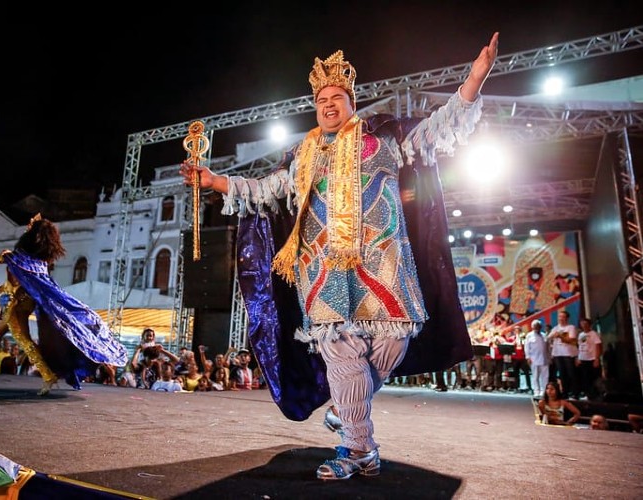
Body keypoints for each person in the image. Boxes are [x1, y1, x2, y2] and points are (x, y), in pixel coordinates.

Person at [180, 33, 499, 480]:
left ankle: (348, 409)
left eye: (337, 97)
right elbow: (267, 192)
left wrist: (475, 78)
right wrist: (215, 182)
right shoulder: (303, 155)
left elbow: (438, 127)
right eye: (321, 99)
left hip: (387, 268)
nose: (328, 104)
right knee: (342, 353)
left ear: (351, 101)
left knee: (393, 343)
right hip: (323, 270)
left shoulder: (384, 139)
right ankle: (358, 448)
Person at [0, 214, 128, 396]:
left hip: (13, 303)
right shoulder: (41, 264)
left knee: (18, 339)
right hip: (17, 302)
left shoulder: (15, 257)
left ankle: (45, 376)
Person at [547, 310, 579, 399]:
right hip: (558, 354)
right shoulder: (555, 328)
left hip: (568, 354)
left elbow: (572, 339)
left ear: (567, 318)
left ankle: (575, 393)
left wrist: (560, 336)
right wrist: (554, 335)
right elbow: (548, 337)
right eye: (559, 317)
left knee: (571, 374)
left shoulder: (570, 327)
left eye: (563, 317)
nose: (560, 319)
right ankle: (565, 393)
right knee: (562, 374)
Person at [575, 317, 602, 400]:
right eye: (582, 324)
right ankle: (588, 395)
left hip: (592, 359)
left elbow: (598, 346)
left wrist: (597, 358)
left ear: (589, 325)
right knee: (585, 378)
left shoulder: (593, 334)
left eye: (586, 324)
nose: (584, 326)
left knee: (593, 378)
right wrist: (578, 358)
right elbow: (580, 346)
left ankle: (595, 395)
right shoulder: (581, 335)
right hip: (583, 359)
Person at [525, 319, 550, 398]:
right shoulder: (529, 335)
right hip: (534, 359)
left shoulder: (544, 335)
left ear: (540, 327)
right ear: (532, 327)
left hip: (544, 359)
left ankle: (544, 391)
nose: (537, 328)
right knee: (535, 376)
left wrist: (550, 357)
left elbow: (548, 347)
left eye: (538, 326)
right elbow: (526, 347)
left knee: (545, 376)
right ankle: (536, 391)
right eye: (535, 326)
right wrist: (528, 357)